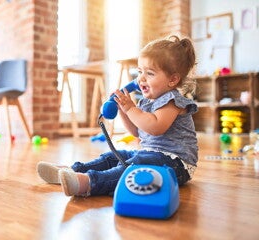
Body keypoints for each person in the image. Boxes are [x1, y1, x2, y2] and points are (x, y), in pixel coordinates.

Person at [37, 35, 198, 197]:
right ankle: (71, 171)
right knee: (113, 156)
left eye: (149, 73)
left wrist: (130, 109)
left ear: (173, 80)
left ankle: (88, 182)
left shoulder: (172, 101)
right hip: (151, 155)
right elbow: (137, 132)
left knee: (134, 165)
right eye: (140, 71)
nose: (141, 78)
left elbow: (155, 127)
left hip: (177, 164)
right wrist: (123, 110)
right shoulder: (146, 103)